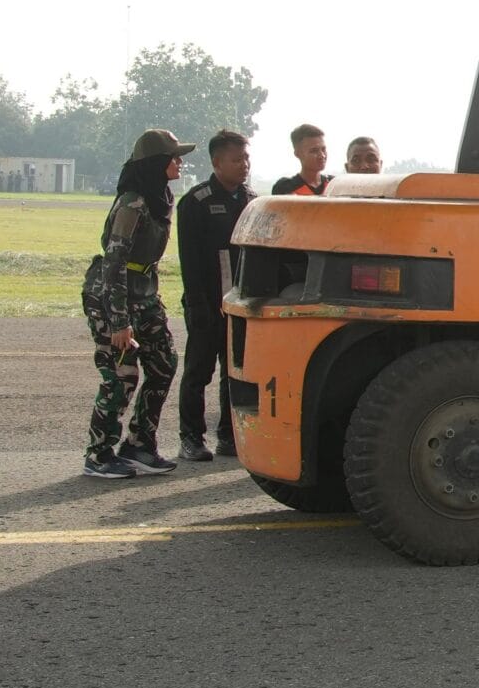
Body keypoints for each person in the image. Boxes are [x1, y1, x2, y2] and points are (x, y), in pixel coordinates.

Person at [80, 129, 194, 479]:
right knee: (121, 376)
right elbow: (115, 263)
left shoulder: (158, 197)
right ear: (157, 163)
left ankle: (139, 445)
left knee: (163, 364)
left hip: (145, 293)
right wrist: (119, 322)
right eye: (173, 157)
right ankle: (98, 455)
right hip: (114, 297)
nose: (179, 162)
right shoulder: (133, 202)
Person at [174, 130, 255, 462]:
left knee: (234, 374)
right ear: (216, 162)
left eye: (247, 158)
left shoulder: (251, 201)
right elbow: (189, 262)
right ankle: (191, 438)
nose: (244, 165)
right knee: (198, 372)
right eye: (237, 160)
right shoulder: (197, 202)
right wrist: (198, 304)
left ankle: (229, 436)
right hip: (207, 303)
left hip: (240, 304)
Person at [272, 124, 331, 196]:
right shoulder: (285, 188)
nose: (322, 155)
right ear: (297, 154)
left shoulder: (333, 185)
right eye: (314, 151)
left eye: (323, 149)